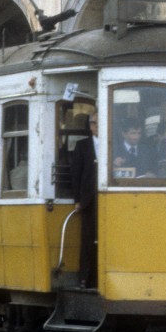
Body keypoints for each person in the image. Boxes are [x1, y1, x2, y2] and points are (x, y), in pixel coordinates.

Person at [70, 112, 99, 288]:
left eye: (101, 123)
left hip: (107, 199)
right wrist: (78, 199)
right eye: (95, 123)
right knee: (88, 239)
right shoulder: (82, 146)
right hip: (88, 200)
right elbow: (76, 173)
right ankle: (85, 279)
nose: (97, 127)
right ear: (90, 126)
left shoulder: (113, 143)